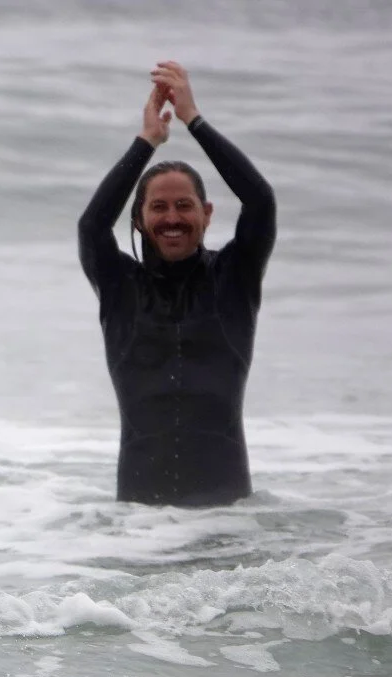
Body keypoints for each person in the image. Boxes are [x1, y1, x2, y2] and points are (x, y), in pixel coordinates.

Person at [78, 61, 277, 507]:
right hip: (139, 525)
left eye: (184, 205)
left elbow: (260, 200)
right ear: (139, 219)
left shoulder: (234, 279)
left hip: (226, 518)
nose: (172, 218)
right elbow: (92, 226)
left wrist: (194, 120)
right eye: (159, 207)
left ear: (207, 214)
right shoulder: (120, 288)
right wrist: (147, 140)